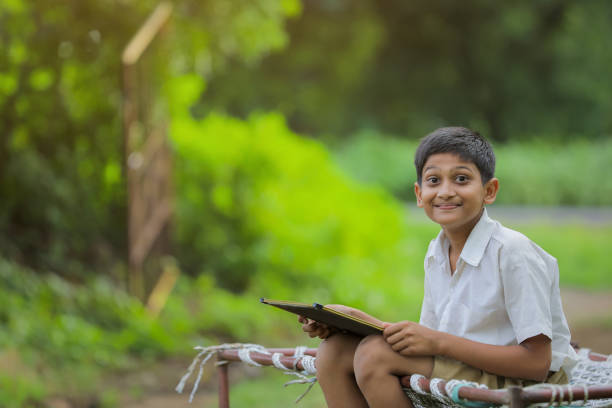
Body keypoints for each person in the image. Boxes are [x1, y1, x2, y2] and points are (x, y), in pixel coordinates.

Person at [299, 127, 577, 408]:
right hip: (467, 366)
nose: (445, 192)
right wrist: (353, 320)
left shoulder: (513, 252)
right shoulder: (437, 251)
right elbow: (427, 339)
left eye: (461, 179)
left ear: (489, 191)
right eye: (434, 180)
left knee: (375, 355)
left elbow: (536, 363)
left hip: (522, 384)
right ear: (420, 195)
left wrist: (438, 343)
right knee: (333, 351)